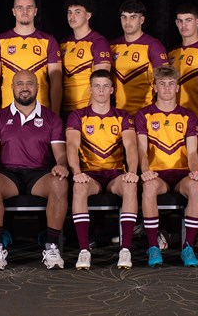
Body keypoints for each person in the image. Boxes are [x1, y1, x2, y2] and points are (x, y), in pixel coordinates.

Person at [0, 70, 69, 270]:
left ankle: (51, 245)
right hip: (9, 175)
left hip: (40, 174)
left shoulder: (51, 118)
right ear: (11, 87)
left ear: (38, 87)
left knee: (60, 183)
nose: (25, 88)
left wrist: (62, 165)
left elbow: (61, 154)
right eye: (19, 83)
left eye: (30, 83)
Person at [67, 70, 138, 270]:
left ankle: (125, 250)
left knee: (131, 186)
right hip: (90, 174)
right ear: (90, 89)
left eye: (105, 86)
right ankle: (84, 251)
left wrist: (132, 171)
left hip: (115, 173)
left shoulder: (122, 115)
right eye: (97, 86)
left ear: (112, 90)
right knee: (79, 188)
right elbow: (71, 146)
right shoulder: (78, 115)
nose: (101, 90)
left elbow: (131, 146)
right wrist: (76, 172)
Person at [136, 67, 198, 267]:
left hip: (182, 174)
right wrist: (145, 170)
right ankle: (153, 246)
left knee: (196, 186)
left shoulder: (188, 116)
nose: (167, 88)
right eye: (162, 84)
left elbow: (192, 152)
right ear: (155, 87)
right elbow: (141, 149)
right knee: (148, 187)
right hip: (157, 174)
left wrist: (194, 170)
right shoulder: (144, 114)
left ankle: (188, 247)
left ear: (177, 87)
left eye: (171, 83)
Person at [0, 0, 62, 114]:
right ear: (13, 11)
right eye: (20, 8)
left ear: (35, 11)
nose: (25, 12)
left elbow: (56, 83)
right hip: (8, 112)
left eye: (29, 8)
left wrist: (55, 115)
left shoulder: (48, 40)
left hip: (41, 112)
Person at [110, 0, 169, 116]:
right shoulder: (112, 45)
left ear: (141, 20)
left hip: (145, 114)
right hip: (119, 115)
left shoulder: (153, 45)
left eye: (133, 17)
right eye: (124, 17)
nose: (127, 22)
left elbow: (165, 81)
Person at [59, 0, 111, 117]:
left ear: (88, 15)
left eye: (77, 12)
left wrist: (88, 113)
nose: (72, 17)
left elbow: (101, 81)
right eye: (69, 12)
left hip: (86, 110)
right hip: (65, 110)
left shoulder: (98, 42)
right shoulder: (63, 43)